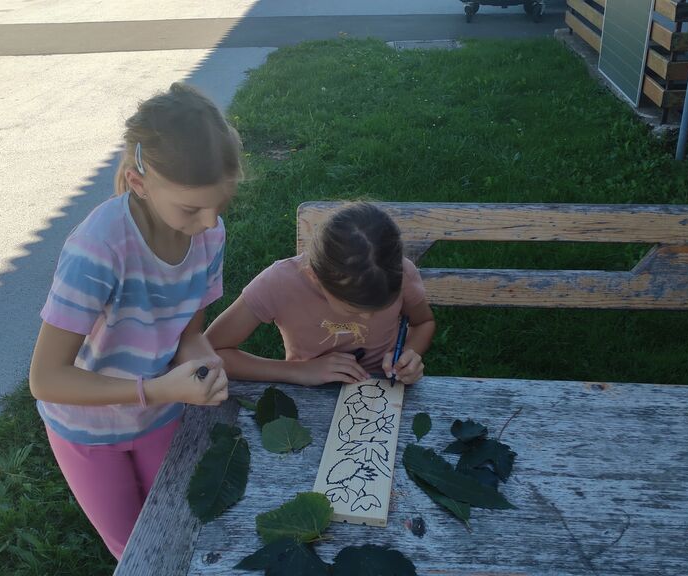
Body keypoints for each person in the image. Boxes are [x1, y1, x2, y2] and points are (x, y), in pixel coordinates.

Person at [28, 82, 239, 560]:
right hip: (86, 428)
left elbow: (189, 333)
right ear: (140, 184)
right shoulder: (98, 248)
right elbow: (45, 378)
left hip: (159, 412)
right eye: (192, 209)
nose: (210, 222)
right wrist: (156, 389)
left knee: (177, 523)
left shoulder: (208, 235)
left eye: (220, 205)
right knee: (135, 549)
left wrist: (204, 365)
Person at [206, 202, 435, 386]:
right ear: (315, 277)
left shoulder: (400, 272)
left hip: (383, 384)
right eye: (352, 309)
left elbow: (423, 323)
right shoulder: (279, 282)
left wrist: (406, 356)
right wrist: (298, 371)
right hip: (308, 389)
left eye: (380, 307)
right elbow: (211, 353)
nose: (367, 318)